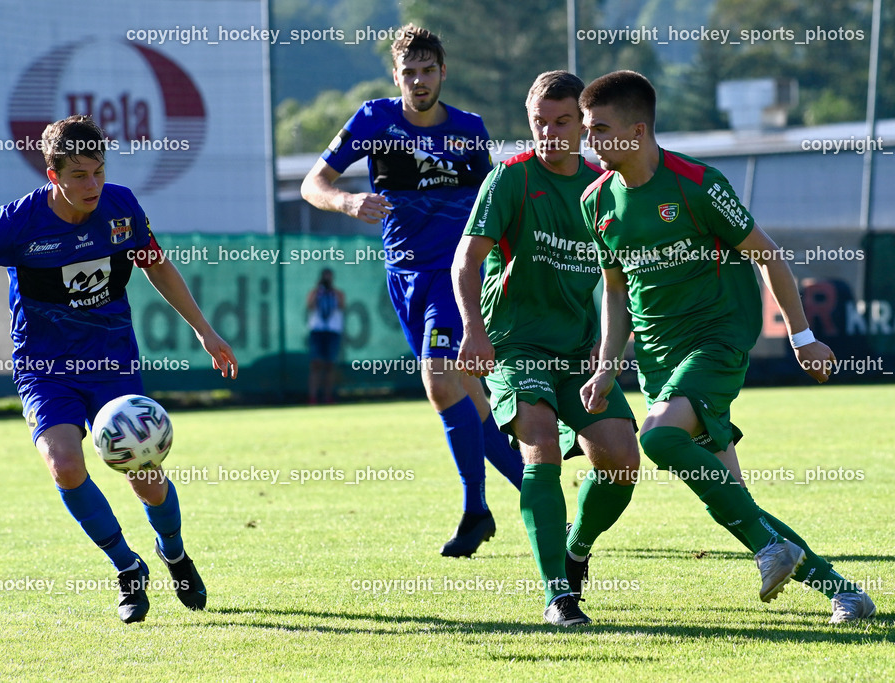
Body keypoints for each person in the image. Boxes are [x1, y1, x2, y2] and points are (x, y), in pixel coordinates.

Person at [578, 70, 875, 623]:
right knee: (733, 497)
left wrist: (802, 336)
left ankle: (771, 551)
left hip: (716, 342)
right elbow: (616, 290)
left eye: (599, 129)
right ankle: (845, 592)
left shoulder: (697, 183)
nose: (588, 141)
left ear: (637, 130)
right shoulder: (595, 202)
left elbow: (768, 254)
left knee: (660, 439)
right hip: (658, 361)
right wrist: (604, 368)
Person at [0, 115, 238, 624]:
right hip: (45, 367)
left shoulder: (121, 206)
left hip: (112, 362)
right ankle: (126, 566)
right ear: (52, 175)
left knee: (145, 477)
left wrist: (204, 330)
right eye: (77, 175)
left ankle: (174, 553)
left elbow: (154, 263)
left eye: (97, 171)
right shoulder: (16, 223)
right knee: (66, 465)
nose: (91, 185)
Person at [301, 24, 524, 556]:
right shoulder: (374, 121)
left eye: (428, 70)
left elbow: (493, 206)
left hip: (456, 276)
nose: (419, 80)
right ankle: (540, 493)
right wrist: (348, 202)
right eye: (409, 72)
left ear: (443, 72)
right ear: (395, 76)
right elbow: (314, 184)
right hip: (403, 276)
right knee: (470, 399)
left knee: (440, 380)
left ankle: (475, 510)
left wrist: (510, 263)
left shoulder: (470, 129)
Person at [453, 71, 640, 627]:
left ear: (583, 126)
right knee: (541, 452)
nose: (550, 133)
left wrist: (609, 357)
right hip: (515, 345)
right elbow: (466, 260)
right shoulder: (510, 180)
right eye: (540, 122)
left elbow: (618, 284)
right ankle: (559, 596)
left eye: (563, 122)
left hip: (579, 353)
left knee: (623, 464)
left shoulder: (605, 185)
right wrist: (473, 330)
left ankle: (575, 548)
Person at [307, 268, 345, 404]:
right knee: (316, 364)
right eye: (325, 277)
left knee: (330, 365)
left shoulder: (337, 293)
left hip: (333, 331)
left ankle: (328, 396)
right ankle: (313, 397)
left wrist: (331, 291)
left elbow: (342, 305)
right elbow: (310, 306)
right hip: (317, 331)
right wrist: (318, 290)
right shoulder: (315, 293)